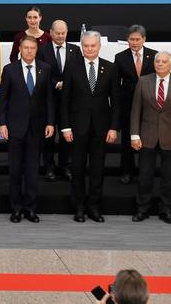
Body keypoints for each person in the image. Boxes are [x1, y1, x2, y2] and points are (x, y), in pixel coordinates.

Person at [61, 31, 120, 223]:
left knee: (97, 169)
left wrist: (113, 128)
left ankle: (94, 206)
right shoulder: (72, 66)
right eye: (86, 46)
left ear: (99, 46)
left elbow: (116, 102)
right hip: (77, 128)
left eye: (93, 45)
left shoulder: (110, 68)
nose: (89, 49)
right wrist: (65, 127)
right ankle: (78, 206)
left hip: (101, 129)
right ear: (81, 46)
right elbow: (65, 100)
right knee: (77, 168)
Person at [0, 36, 55, 223]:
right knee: (15, 170)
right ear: (20, 49)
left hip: (37, 128)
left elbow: (49, 100)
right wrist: (2, 124)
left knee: (32, 170)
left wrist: (50, 122)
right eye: (26, 48)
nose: (29, 51)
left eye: (32, 48)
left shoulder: (45, 69)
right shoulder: (9, 70)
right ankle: (15, 209)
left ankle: (30, 208)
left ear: (37, 49)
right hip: (15, 127)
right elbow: (2, 101)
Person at [131, 51, 171, 225]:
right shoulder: (143, 81)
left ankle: (166, 210)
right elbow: (136, 110)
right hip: (146, 136)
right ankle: (142, 209)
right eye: (157, 61)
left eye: (164, 62)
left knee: (169, 177)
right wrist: (134, 134)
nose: (159, 64)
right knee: (144, 175)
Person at [37, 20, 79, 181]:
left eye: (63, 33)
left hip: (68, 101)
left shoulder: (75, 50)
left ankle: (65, 166)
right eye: (57, 33)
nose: (60, 36)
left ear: (66, 33)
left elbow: (77, 72)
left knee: (66, 135)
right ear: (51, 32)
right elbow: (40, 72)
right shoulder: (42, 50)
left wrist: (67, 84)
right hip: (48, 99)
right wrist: (56, 83)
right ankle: (49, 167)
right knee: (48, 134)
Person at [115, 25, 157, 185]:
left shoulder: (154, 56)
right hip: (128, 106)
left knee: (147, 140)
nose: (134, 42)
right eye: (131, 39)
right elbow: (116, 85)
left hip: (149, 106)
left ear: (144, 39)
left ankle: (145, 173)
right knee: (127, 140)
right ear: (127, 40)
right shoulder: (120, 57)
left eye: (137, 39)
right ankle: (127, 172)